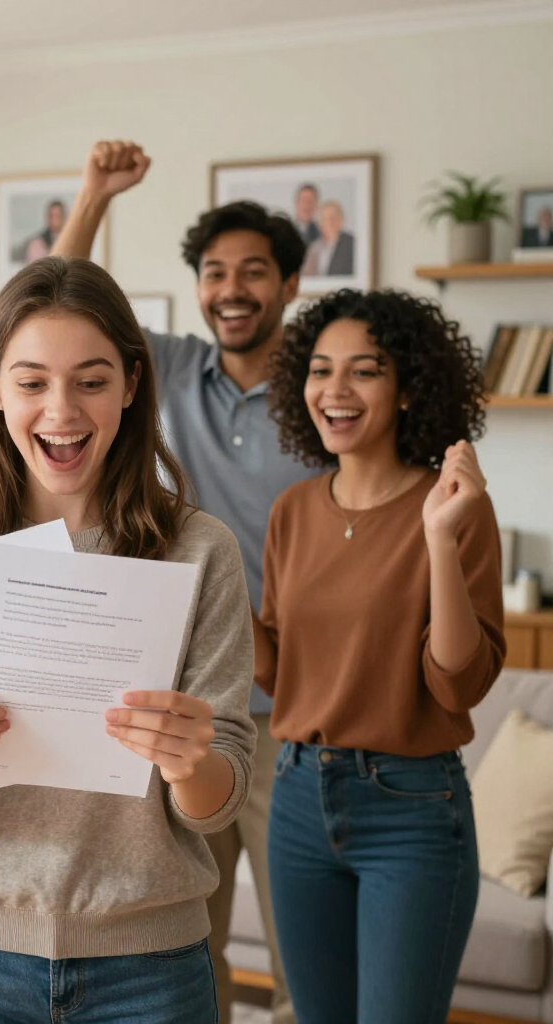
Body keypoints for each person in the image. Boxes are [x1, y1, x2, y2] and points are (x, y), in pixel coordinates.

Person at [0, 255, 257, 1023]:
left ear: (132, 384)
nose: (61, 410)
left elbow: (218, 802)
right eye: (32, 382)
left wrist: (189, 762)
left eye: (91, 380)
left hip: (150, 965)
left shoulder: (199, 550)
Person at [52, 140, 315, 1024]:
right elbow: (54, 305)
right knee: (188, 942)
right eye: (214, 273)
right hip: (175, 702)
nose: (231, 289)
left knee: (297, 951)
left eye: (253, 272)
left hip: (286, 711)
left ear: (289, 284)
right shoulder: (163, 369)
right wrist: (95, 196)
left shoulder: (321, 395)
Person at [256, 289, 505, 1024]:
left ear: (407, 389)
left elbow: (456, 684)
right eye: (320, 369)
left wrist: (438, 539)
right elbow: (278, 670)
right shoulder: (292, 510)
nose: (335, 390)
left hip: (413, 810)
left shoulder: (454, 506)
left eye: (364, 370)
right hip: (296, 797)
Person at [302, 200, 355, 276]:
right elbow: (306, 275)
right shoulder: (314, 247)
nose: (329, 222)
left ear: (341, 221)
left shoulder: (351, 244)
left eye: (332, 218)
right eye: (324, 219)